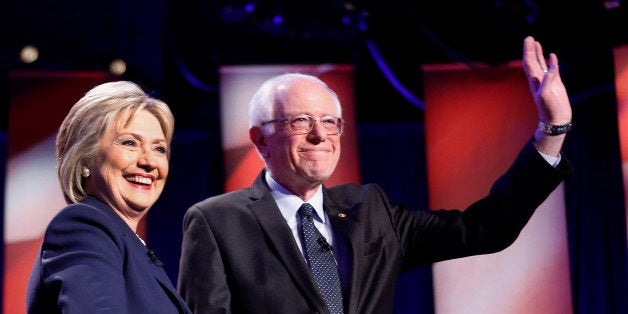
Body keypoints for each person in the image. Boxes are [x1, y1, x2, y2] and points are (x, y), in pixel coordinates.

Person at [177, 36, 573, 313]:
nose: (320, 135)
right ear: (260, 140)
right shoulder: (217, 221)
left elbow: (486, 228)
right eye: (301, 121)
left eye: (331, 122)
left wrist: (551, 130)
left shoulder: (370, 210)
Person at [26, 81, 192, 313]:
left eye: (159, 149)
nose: (149, 162)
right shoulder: (82, 227)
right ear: (85, 158)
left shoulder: (126, 243)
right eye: (130, 143)